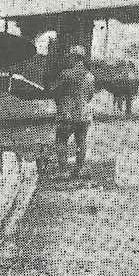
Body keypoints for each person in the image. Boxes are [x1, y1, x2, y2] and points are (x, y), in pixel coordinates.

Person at [53, 45, 97, 180]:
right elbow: (90, 96)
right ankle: (78, 169)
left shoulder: (66, 74)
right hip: (84, 115)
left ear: (74, 58)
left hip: (67, 114)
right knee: (81, 141)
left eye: (70, 57)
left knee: (61, 140)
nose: (69, 60)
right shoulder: (90, 76)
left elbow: (56, 92)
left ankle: (63, 171)